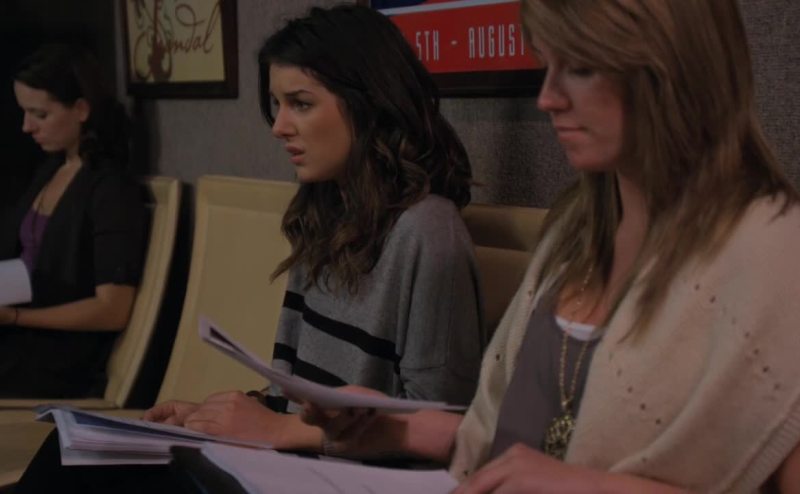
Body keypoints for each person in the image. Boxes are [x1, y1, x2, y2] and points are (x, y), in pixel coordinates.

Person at [295, 0, 800, 492]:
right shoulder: (575, 228)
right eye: (547, 65)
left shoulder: (775, 254)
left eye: (579, 68)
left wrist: (592, 487)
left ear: (672, 67)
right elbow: (520, 443)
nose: (548, 98)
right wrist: (393, 429)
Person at [15, 5, 484, 492]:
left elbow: (444, 434)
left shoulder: (428, 230)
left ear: (369, 103)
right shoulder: (323, 213)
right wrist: (221, 416)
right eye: (277, 105)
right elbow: (289, 394)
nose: (279, 126)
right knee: (69, 449)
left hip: (342, 480)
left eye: (300, 103)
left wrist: (279, 429)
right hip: (284, 461)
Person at [0, 43, 146, 398]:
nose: (26, 127)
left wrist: (16, 317)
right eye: (24, 112)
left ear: (81, 109)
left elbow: (113, 309)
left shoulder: (110, 189)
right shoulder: (52, 169)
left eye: (39, 114)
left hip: (54, 358)